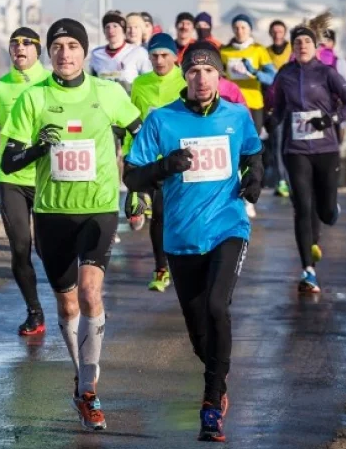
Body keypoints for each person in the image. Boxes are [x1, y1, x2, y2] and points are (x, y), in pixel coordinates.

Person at [0, 18, 143, 432]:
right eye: (57, 46)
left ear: (84, 52)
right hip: (51, 213)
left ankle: (87, 386)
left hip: (98, 207)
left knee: (90, 291)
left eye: (73, 46)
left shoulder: (107, 92)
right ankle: (83, 379)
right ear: (50, 53)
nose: (65, 53)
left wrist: (135, 184)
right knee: (66, 304)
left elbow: (140, 133)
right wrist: (36, 149)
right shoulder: (32, 99)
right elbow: (10, 161)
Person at [124, 41, 263, 443]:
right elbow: (132, 176)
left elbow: (253, 154)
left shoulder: (237, 116)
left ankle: (210, 403)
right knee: (199, 331)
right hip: (181, 236)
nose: (201, 79)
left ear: (219, 76)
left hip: (227, 227)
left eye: (209, 71)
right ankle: (217, 373)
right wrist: (165, 166)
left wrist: (254, 178)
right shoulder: (161, 121)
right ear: (184, 76)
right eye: (193, 72)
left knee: (218, 306)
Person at [271, 17, 346, 293]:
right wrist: (270, 121)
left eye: (307, 41)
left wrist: (332, 118)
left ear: (315, 46)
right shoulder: (284, 75)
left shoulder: (327, 73)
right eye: (297, 42)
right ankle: (308, 270)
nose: (302, 46)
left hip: (326, 149)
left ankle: (331, 210)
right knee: (302, 207)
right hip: (295, 150)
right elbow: (277, 107)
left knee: (324, 210)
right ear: (292, 47)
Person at [0, 27, 51, 336]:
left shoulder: (50, 83)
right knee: (21, 248)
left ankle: (71, 299)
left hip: (47, 176)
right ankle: (34, 311)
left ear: (38, 51)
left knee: (50, 249)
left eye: (27, 43)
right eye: (14, 43)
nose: (19, 47)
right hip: (11, 177)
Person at [124, 32, 184, 293]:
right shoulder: (140, 84)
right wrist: (130, 157)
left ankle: (186, 264)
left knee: (178, 215)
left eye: (164, 55)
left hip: (181, 159)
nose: (159, 61)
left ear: (174, 56)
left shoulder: (185, 80)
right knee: (158, 215)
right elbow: (133, 121)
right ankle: (161, 268)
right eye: (154, 56)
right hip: (151, 160)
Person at [219, 14, 276, 218]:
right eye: (236, 27)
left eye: (244, 27)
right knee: (230, 150)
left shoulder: (258, 50)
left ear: (250, 29)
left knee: (250, 149)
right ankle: (232, 193)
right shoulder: (224, 51)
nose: (240, 31)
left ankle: (249, 195)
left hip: (253, 104)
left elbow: (273, 77)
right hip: (230, 105)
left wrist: (255, 73)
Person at [89, 11, 152, 92]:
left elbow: (149, 81)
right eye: (107, 27)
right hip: (105, 102)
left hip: (129, 102)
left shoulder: (138, 52)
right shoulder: (96, 54)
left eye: (115, 26)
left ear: (123, 29)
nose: (111, 30)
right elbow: (91, 82)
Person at [265, 20, 292, 198]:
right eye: (274, 31)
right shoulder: (265, 53)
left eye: (280, 31)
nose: (277, 34)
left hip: (294, 105)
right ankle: (281, 181)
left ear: (285, 33)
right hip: (275, 105)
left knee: (293, 145)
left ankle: (294, 180)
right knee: (277, 145)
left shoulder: (293, 51)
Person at [318, 28, 346, 94]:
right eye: (322, 41)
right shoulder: (313, 61)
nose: (324, 43)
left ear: (333, 43)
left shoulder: (339, 62)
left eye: (328, 40)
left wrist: (345, 100)